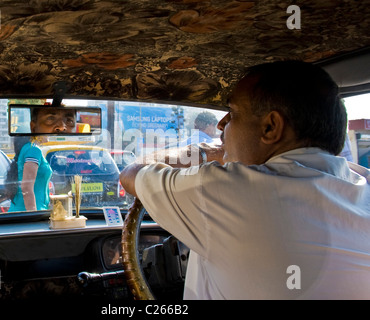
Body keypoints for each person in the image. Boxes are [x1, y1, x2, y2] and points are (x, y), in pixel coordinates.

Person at [120, 60, 370, 299]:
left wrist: (208, 153)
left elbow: (131, 174)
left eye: (233, 113)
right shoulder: (363, 184)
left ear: (271, 127)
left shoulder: (224, 189)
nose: (221, 125)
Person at [6, 106, 75, 211]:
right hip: (28, 216)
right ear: (34, 129)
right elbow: (27, 188)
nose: (52, 130)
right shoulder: (33, 150)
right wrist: (33, 216)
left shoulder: (29, 148)